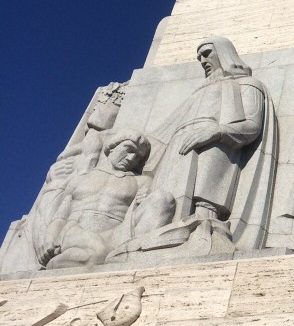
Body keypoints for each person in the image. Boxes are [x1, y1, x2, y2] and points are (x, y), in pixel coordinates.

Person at [150, 37, 270, 225]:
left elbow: (252, 126)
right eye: (199, 58)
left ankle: (205, 227)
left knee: (203, 216)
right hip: (179, 147)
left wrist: (218, 131)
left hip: (216, 147)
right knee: (161, 206)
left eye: (207, 54)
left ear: (224, 53)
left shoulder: (247, 83)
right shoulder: (198, 91)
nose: (203, 61)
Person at [34, 131, 172, 269]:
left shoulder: (141, 182)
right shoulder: (82, 178)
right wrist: (49, 238)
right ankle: (55, 264)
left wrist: (143, 201)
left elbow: (150, 210)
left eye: (137, 157)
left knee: (162, 199)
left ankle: (138, 254)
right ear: (112, 148)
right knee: (98, 252)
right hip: (76, 232)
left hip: (117, 235)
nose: (131, 159)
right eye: (129, 150)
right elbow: (60, 216)